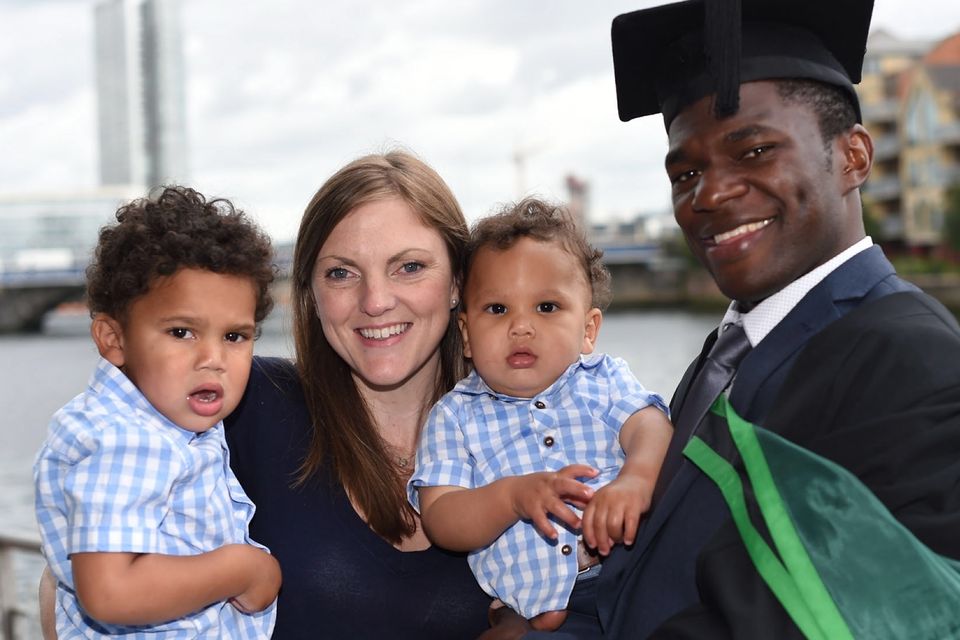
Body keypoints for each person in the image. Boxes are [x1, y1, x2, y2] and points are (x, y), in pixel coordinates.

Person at [490, 0, 960, 638]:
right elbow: (648, 577)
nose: (708, 194)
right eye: (685, 172)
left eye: (755, 150)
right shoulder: (732, 348)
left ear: (853, 157)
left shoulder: (912, 361)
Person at [222, 150, 493, 638]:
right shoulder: (246, 405)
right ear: (311, 294)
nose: (375, 301)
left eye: (409, 267)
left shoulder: (532, 425)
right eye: (341, 273)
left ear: (457, 282)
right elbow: (73, 578)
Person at [408, 199, 673, 629]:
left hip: (639, 576)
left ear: (588, 330)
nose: (521, 326)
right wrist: (511, 497)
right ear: (467, 335)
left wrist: (636, 480)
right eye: (497, 309)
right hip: (543, 613)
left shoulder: (602, 379)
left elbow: (652, 426)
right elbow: (442, 519)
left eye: (546, 307)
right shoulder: (455, 416)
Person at [33, 186, 281, 638]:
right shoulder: (127, 440)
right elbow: (110, 592)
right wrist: (240, 569)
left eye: (235, 336)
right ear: (113, 339)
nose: (213, 358)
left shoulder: (155, 422)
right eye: (182, 331)